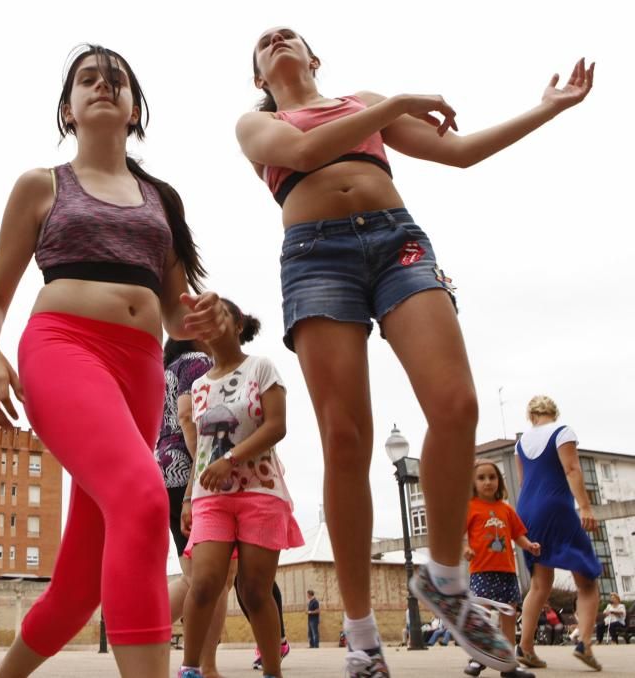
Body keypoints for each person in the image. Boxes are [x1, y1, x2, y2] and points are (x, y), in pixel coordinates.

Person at [235, 25, 594, 678]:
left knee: (457, 405)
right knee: (345, 437)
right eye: (265, 41)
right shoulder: (257, 126)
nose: (280, 38)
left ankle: (446, 580)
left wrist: (551, 106)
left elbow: (459, 152)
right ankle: (363, 634)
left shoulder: (363, 100)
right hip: (316, 256)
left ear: (316, 57)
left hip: (398, 241)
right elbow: (308, 147)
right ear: (260, 75)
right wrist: (397, 102)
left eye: (292, 34)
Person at [0, 44, 227, 678]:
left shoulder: (161, 199)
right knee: (142, 498)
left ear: (135, 108)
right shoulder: (41, 185)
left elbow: (173, 312)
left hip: (140, 373)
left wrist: (202, 318)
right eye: (88, 79)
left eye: (116, 81)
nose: (102, 87)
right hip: (63, 349)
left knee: (80, 585)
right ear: (68, 108)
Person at [180, 299, 303, 678]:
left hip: (261, 493)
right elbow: (202, 450)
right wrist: (187, 496)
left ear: (238, 325)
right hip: (210, 499)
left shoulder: (261, 367)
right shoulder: (199, 386)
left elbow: (276, 425)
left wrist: (230, 460)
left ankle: (272, 671)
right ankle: (190, 670)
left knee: (253, 591)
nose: (212, 325)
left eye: (221, 315)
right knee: (203, 584)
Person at [156, 338, 232, 678]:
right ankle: (205, 667)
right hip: (190, 473)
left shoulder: (165, 371)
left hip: (165, 471)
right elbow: (189, 418)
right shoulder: (197, 362)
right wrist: (205, 468)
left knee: (195, 575)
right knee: (212, 577)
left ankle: (144, 626)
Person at [516, 396, 602, 671]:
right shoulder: (562, 431)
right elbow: (571, 468)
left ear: (531, 415)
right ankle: (584, 643)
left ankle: (525, 647)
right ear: (554, 412)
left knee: (540, 584)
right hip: (556, 506)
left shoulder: (520, 443)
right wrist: (586, 508)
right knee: (587, 579)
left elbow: (523, 482)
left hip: (527, 509)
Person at [462, 459, 541, 678]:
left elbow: (517, 534)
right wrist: (466, 548)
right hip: (481, 571)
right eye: (481, 478)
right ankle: (478, 658)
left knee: (509, 616)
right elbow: (460, 536)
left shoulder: (505, 509)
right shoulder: (470, 508)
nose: (488, 482)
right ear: (473, 482)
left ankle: (508, 664)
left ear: (499, 481)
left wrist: (529, 545)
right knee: (483, 616)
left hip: (507, 572)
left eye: (492, 477)